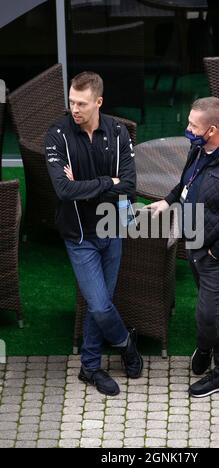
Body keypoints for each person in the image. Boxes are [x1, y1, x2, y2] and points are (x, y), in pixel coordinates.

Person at [146, 97, 219, 398]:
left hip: (218, 251)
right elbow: (188, 180)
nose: (186, 128)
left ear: (211, 130)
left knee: (209, 314)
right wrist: (169, 200)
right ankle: (218, 358)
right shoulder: (199, 146)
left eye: (192, 125)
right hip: (196, 238)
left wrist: (215, 252)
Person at [45, 71, 143, 397]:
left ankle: (89, 367)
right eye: (71, 101)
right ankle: (127, 344)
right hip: (79, 236)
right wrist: (107, 182)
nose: (74, 108)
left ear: (98, 102)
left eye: (82, 103)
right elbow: (63, 189)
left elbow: (130, 185)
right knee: (100, 306)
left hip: (112, 228)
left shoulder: (118, 133)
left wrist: (85, 186)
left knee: (97, 303)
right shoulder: (57, 135)